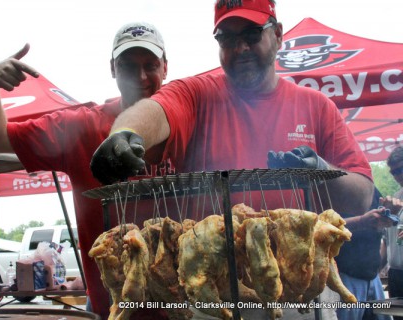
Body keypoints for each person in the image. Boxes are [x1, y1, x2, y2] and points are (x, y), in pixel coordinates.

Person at [90, 1, 374, 319]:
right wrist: (127, 132)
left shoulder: (315, 106)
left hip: (299, 291)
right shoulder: (198, 95)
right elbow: (157, 110)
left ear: (278, 35)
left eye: (251, 35)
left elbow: (361, 196)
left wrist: (319, 169)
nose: (239, 48)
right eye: (226, 38)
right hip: (212, 293)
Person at [0, 22, 171, 319]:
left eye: (150, 65)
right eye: (128, 66)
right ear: (113, 69)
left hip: (185, 303)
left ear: (165, 67)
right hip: (109, 308)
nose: (141, 76)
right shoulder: (81, 127)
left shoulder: (187, 119)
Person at [324, 188, 397, 320]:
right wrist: (361, 221)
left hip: (373, 278)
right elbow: (322, 228)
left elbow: (377, 231)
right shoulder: (332, 190)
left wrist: (386, 218)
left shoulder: (373, 191)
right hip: (345, 277)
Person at [380, 146, 403, 320]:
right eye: (394, 172)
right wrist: (373, 271)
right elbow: (387, 243)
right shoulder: (396, 198)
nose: (398, 176)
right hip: (395, 274)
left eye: (401, 169)